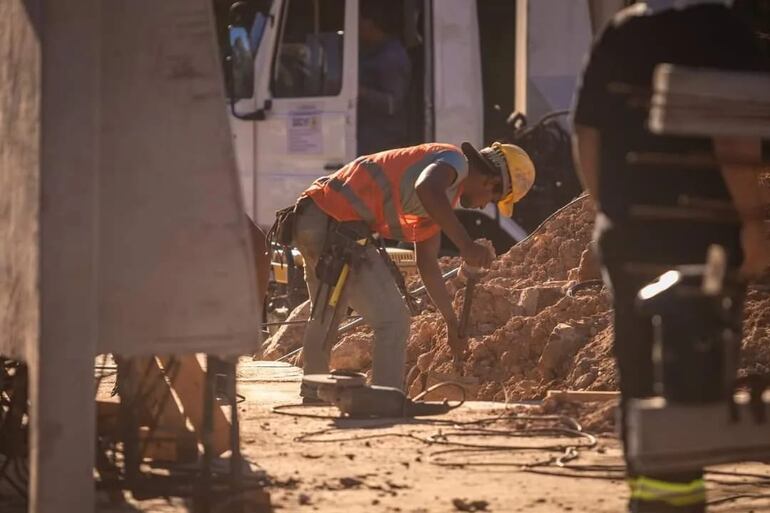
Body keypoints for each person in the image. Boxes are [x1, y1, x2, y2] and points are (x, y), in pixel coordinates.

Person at [571, 1, 769, 512]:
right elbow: (734, 138)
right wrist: (753, 222)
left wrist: (608, 211)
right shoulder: (724, 31)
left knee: (639, 367)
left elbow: (587, 135)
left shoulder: (621, 31)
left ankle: (649, 496)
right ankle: (678, 497)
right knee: (694, 366)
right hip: (703, 235)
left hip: (629, 233)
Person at [292, 142, 535, 400]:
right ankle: (386, 401)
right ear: (491, 181)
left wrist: (451, 323)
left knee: (327, 313)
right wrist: (465, 244)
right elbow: (426, 187)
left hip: (313, 215)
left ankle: (313, 392)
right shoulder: (453, 162)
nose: (485, 206)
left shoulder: (439, 199)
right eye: (494, 200)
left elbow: (427, 263)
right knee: (392, 320)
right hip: (333, 223)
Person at [357, 0, 411, 155]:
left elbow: (392, 104)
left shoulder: (391, 57)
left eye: (360, 22)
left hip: (383, 139)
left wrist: (361, 91)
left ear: (370, 23)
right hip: (369, 133)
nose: (357, 28)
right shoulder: (372, 52)